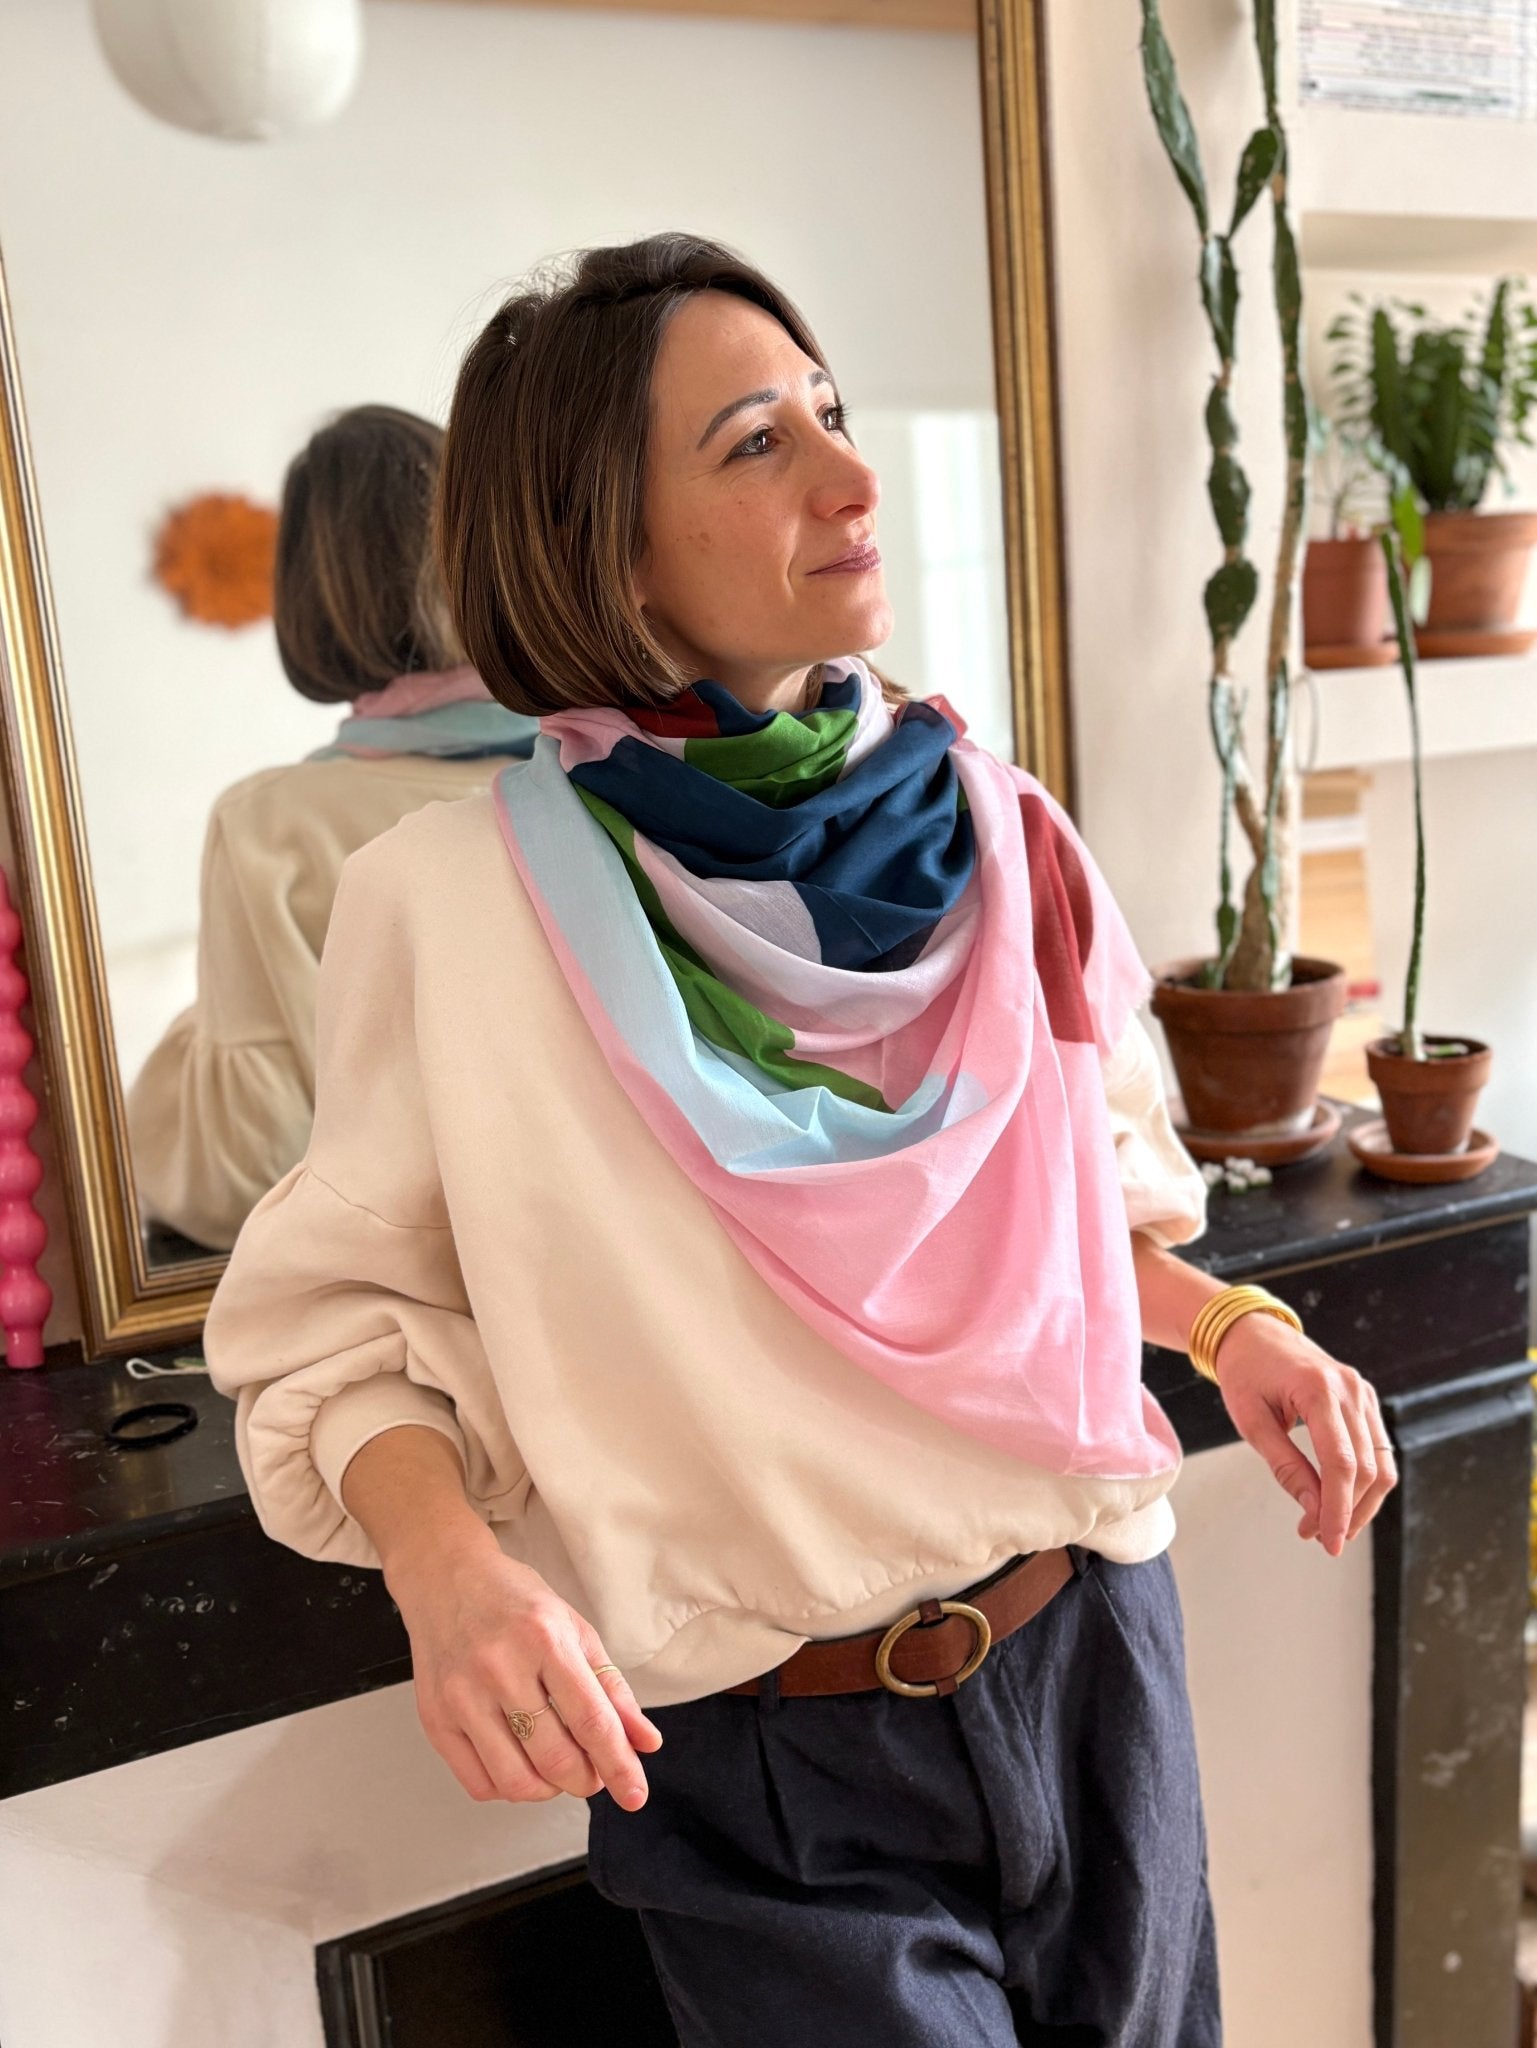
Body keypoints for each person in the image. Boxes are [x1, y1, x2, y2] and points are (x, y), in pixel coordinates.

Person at [206, 236, 1397, 2046]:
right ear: (604, 545)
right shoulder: (447, 909)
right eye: (758, 442)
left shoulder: (999, 828)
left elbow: (1079, 1219)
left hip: (1092, 1658)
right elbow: (339, 1338)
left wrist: (1234, 1327)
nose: (852, 478)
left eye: (829, 413)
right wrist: (450, 1576)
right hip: (764, 1757)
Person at [128, 405, 537, 1250]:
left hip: (404, 1278)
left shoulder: (270, 828)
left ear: (310, 596)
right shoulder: (612, 770)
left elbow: (240, 1170)